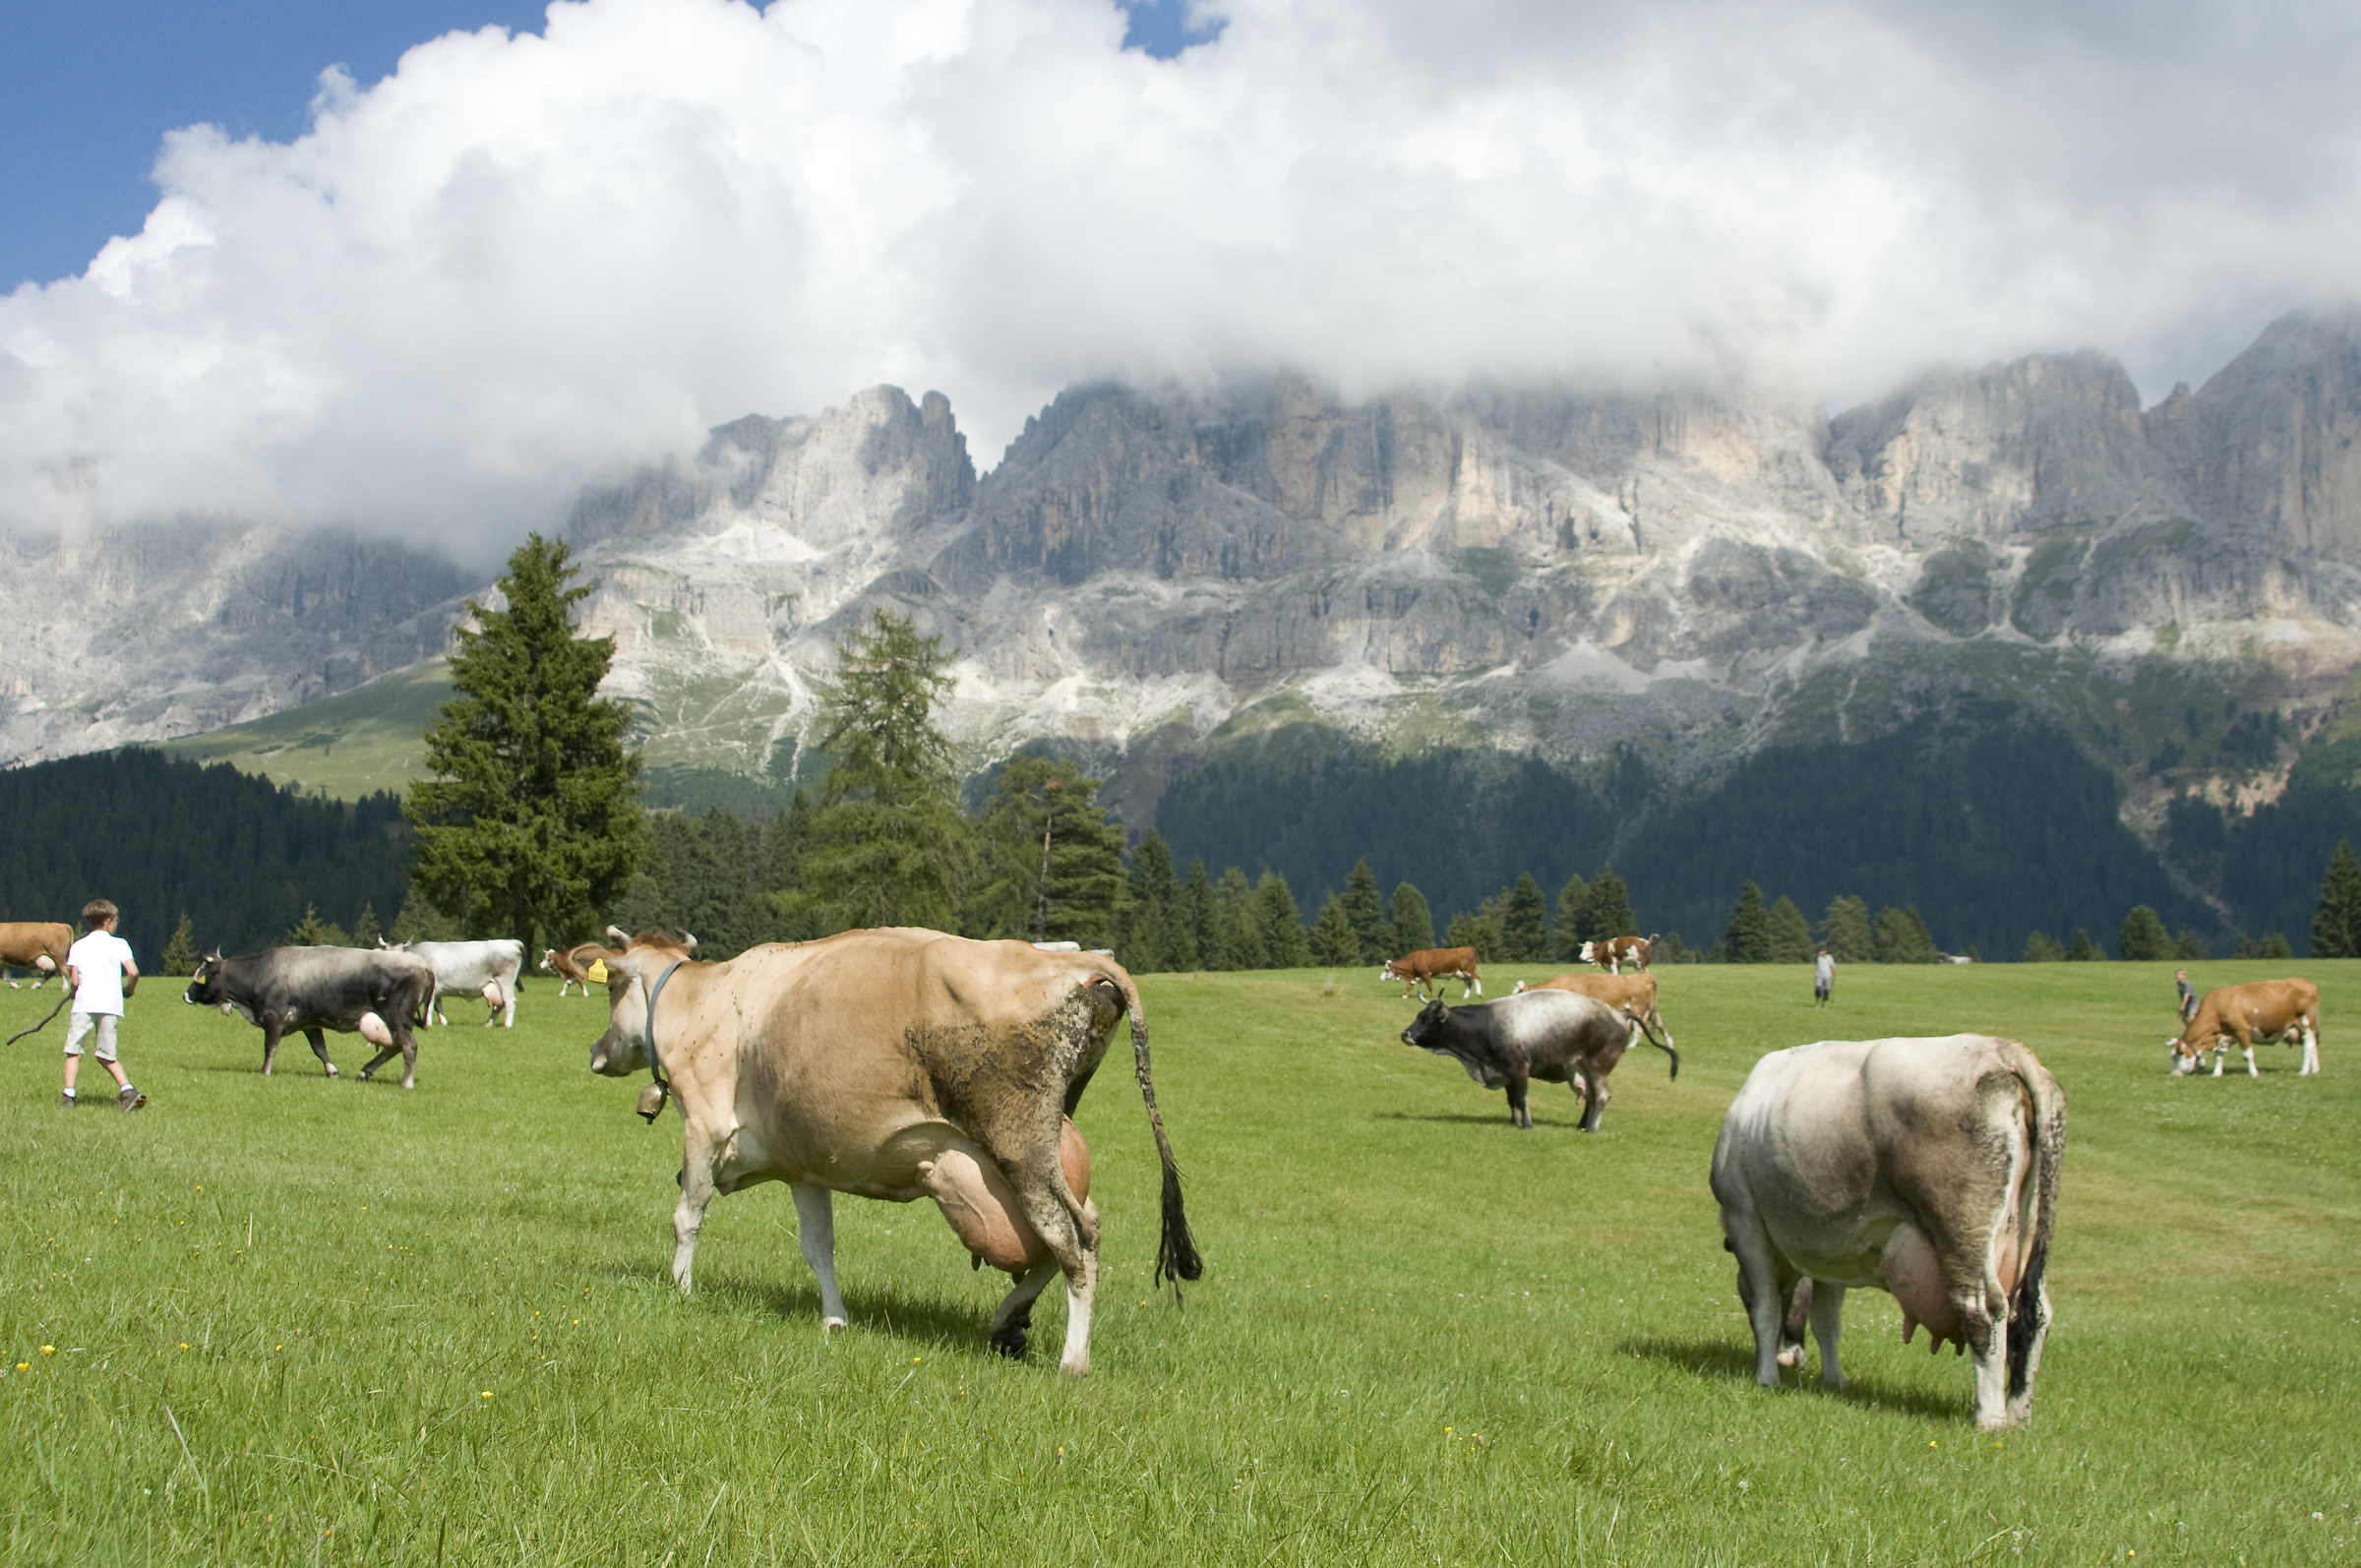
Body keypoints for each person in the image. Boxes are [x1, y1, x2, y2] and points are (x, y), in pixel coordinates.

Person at [63, 899, 144, 1111]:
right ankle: (127, 1090)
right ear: (108, 922)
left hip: (84, 1005)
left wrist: (74, 993)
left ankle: (68, 1096)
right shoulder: (119, 944)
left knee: (74, 1051)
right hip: (110, 1006)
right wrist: (130, 989)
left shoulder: (78, 946)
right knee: (106, 1054)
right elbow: (133, 971)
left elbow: (74, 981)